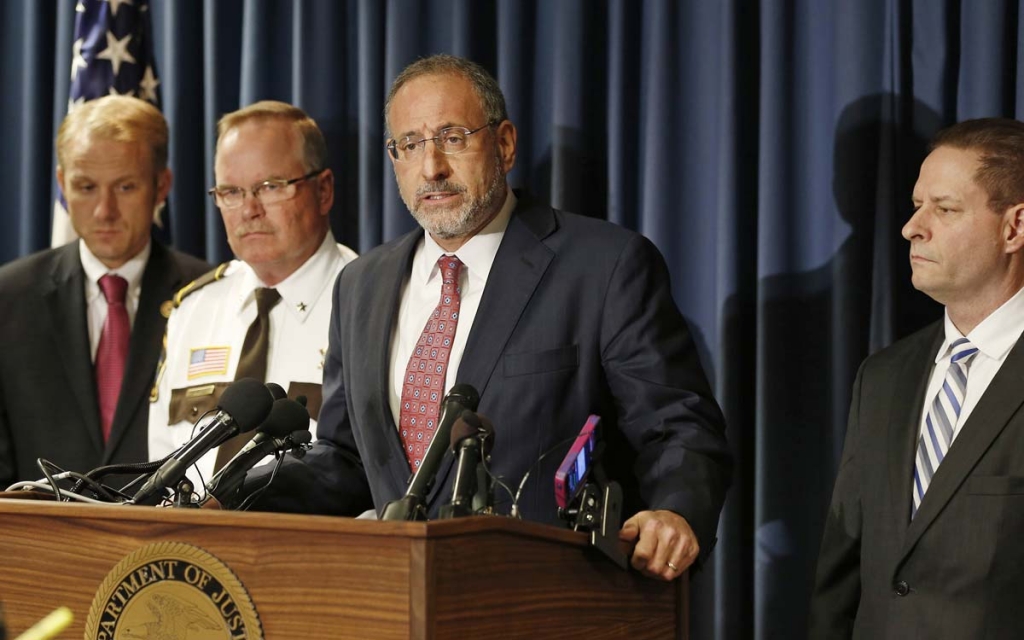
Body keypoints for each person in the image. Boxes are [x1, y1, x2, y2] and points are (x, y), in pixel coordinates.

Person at [247, 54, 731, 580]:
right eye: (409, 145)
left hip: (553, 599)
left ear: (504, 143)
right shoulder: (362, 284)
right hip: (399, 600)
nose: (431, 167)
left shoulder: (604, 267)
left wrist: (676, 511)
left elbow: (677, 427)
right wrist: (237, 499)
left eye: (452, 138)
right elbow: (346, 459)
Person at [810, 118, 1024, 637]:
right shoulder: (883, 377)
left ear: (1013, 228)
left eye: (945, 209)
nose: (913, 227)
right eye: (916, 205)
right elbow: (842, 575)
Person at [0, 96, 210, 488]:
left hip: (169, 543)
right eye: (86, 187)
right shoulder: (7, 299)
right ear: (62, 184)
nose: (104, 211)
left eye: (125, 186)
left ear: (161, 184)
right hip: (39, 542)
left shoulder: (210, 295)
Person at [147, 101, 358, 488]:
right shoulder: (193, 310)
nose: (249, 210)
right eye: (230, 191)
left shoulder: (370, 304)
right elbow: (160, 464)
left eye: (270, 187)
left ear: (324, 190)